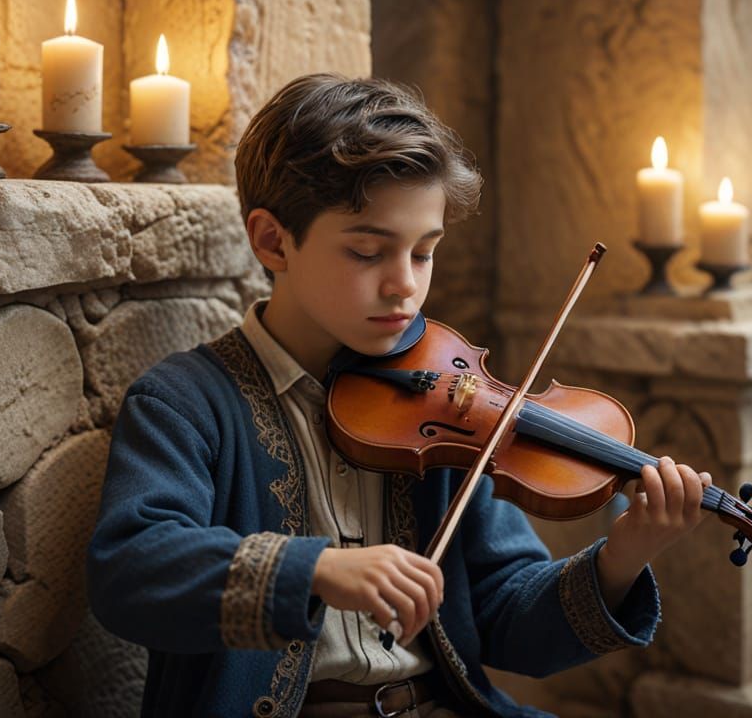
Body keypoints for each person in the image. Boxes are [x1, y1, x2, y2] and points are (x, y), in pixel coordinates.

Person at [87, 73, 711, 718]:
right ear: (273, 240)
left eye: (424, 252)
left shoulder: (442, 404)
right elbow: (131, 571)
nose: (404, 287)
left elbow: (507, 620)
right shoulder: (184, 402)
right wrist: (317, 569)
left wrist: (622, 558)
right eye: (367, 252)